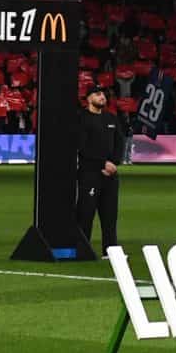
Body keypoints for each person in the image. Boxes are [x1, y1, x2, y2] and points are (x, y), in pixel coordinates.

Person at [74, 88, 130, 251]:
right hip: (90, 173)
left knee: (110, 215)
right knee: (86, 213)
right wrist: (102, 164)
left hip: (110, 175)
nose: (102, 97)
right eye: (98, 94)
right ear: (89, 98)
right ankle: (82, 249)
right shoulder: (81, 118)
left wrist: (114, 163)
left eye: (104, 95)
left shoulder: (111, 118)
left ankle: (110, 250)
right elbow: (82, 147)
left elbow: (119, 142)